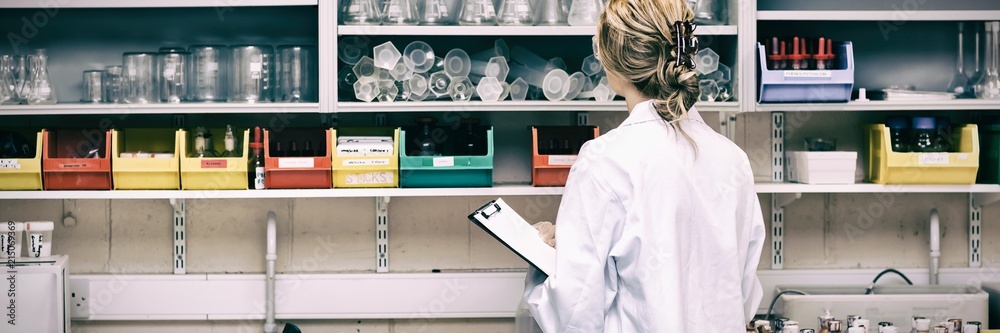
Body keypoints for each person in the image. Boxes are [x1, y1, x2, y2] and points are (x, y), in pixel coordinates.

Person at [522, 0, 766, 331]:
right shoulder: (732, 159)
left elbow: (575, 316)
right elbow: (745, 297)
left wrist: (540, 260)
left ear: (613, 63)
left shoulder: (604, 161)